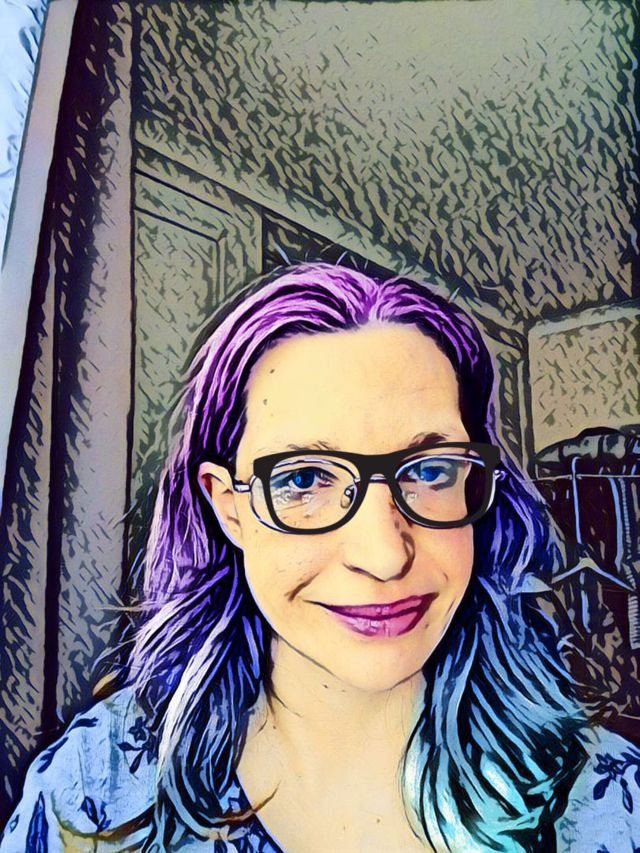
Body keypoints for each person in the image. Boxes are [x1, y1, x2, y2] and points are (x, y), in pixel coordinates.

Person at [1, 262, 639, 852]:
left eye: (431, 470)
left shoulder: (608, 802)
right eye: (304, 479)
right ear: (229, 508)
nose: (385, 555)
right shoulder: (97, 787)